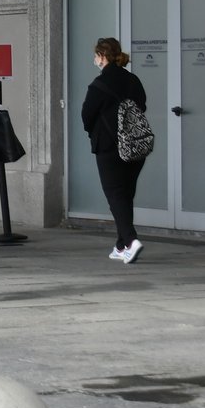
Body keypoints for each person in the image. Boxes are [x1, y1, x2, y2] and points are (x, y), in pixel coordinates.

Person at [80, 37, 148, 264]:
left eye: (96, 56)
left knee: (115, 194)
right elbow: (142, 106)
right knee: (125, 194)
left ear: (101, 56)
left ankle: (131, 240)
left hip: (109, 147)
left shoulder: (98, 85)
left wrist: (96, 131)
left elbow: (87, 115)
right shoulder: (133, 79)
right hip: (135, 145)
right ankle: (121, 245)